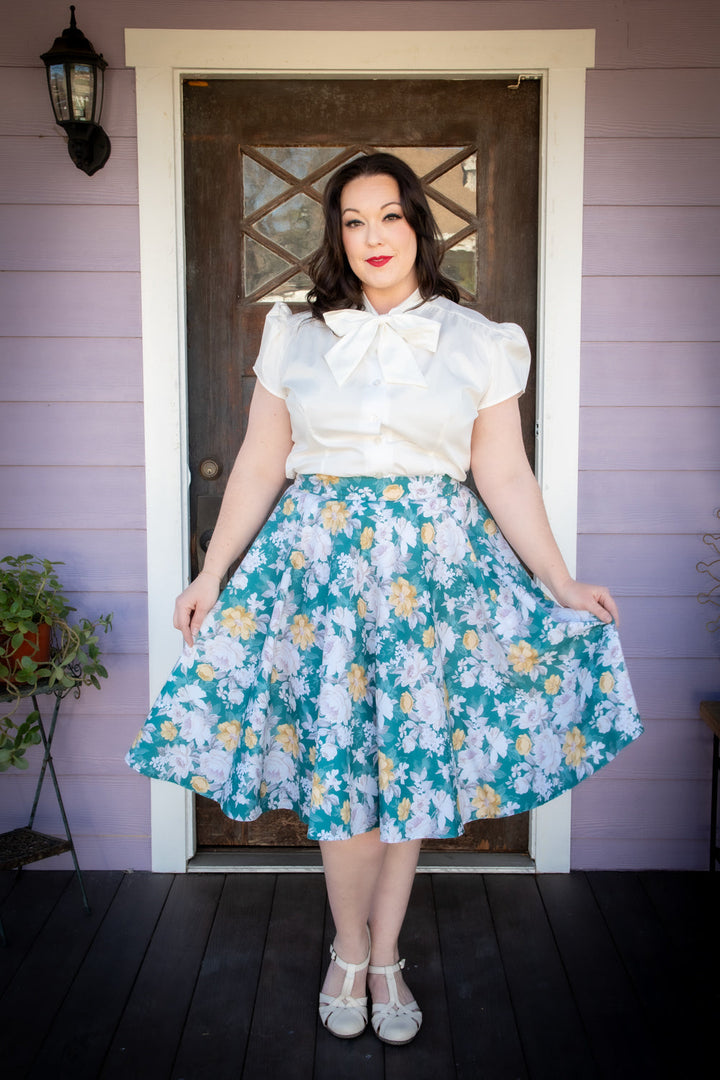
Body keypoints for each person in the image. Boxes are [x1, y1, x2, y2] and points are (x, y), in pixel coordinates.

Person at [127, 153, 642, 1046]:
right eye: (354, 219)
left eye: (391, 216)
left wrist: (560, 581)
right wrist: (211, 573)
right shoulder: (296, 333)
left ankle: (388, 952)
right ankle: (347, 949)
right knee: (344, 780)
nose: (372, 236)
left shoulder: (479, 339)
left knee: (406, 773)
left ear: (418, 228)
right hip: (320, 574)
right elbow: (258, 462)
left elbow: (504, 473)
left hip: (431, 581)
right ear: (336, 233)